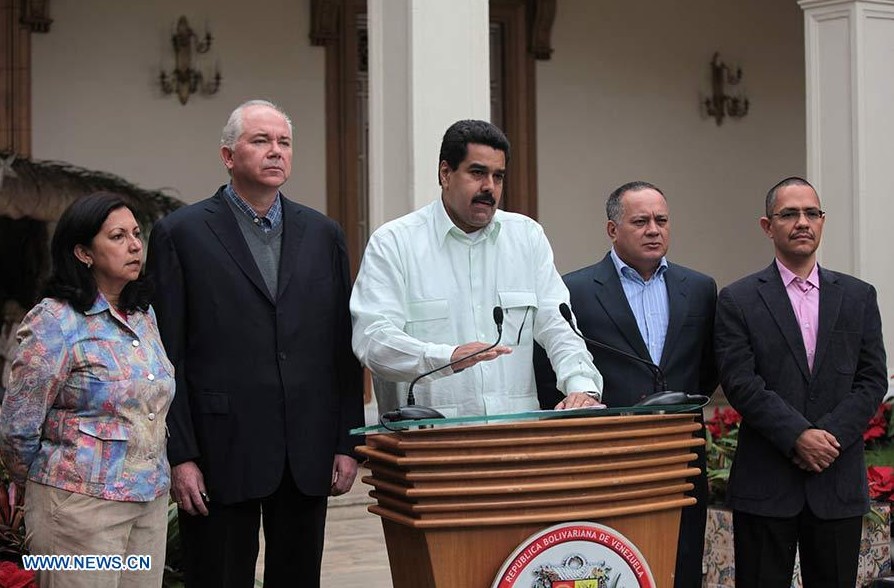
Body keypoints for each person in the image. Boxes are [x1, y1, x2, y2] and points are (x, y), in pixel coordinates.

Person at [146, 100, 363, 588]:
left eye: (283, 142)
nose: (275, 152)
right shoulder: (181, 233)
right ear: (228, 155)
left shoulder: (323, 234)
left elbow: (341, 347)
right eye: (260, 141)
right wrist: (180, 454)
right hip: (221, 447)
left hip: (305, 449)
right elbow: (167, 353)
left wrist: (347, 441)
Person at [350, 119, 602, 417]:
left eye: (498, 176)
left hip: (513, 441)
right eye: (477, 173)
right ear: (445, 173)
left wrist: (581, 386)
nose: (489, 187)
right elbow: (373, 340)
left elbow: (558, 325)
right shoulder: (394, 243)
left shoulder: (527, 237)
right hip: (427, 442)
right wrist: (446, 357)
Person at [534, 180, 717, 588]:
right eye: (640, 221)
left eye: (661, 220)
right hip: (606, 455)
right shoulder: (574, 290)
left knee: (681, 561)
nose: (654, 229)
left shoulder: (700, 289)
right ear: (612, 230)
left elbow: (707, 369)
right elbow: (550, 375)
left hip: (679, 452)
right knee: (612, 565)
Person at [714, 177, 887, 587]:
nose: (802, 222)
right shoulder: (738, 299)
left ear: (823, 221)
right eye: (789, 214)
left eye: (812, 213)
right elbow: (740, 381)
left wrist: (827, 437)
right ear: (767, 226)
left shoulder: (858, 296)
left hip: (836, 478)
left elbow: (872, 379)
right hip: (767, 482)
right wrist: (797, 435)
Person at [0, 193, 174, 587]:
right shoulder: (55, 321)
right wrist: (54, 486)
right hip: (78, 507)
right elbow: (18, 425)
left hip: (147, 501)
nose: (134, 245)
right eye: (117, 236)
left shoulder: (142, 315)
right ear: (83, 252)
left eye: (135, 234)